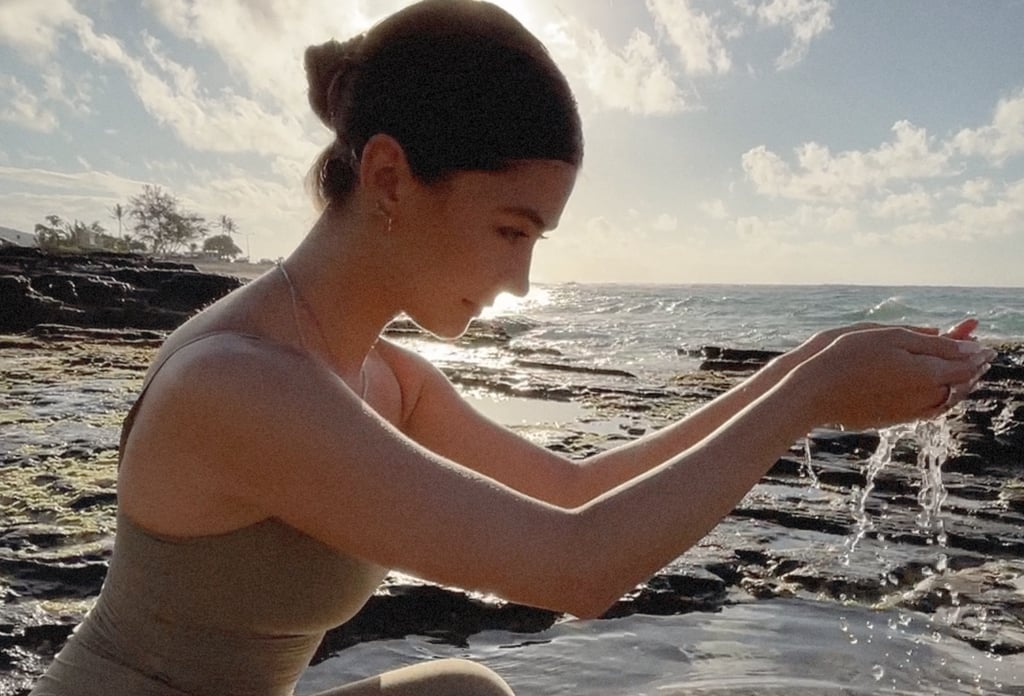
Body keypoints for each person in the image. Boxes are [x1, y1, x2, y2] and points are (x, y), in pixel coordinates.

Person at [30, 1, 995, 695]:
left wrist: (801, 362)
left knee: (464, 694)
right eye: (510, 229)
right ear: (389, 176)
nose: (522, 281)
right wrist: (812, 396)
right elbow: (575, 567)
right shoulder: (240, 385)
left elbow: (574, 493)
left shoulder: (381, 376)